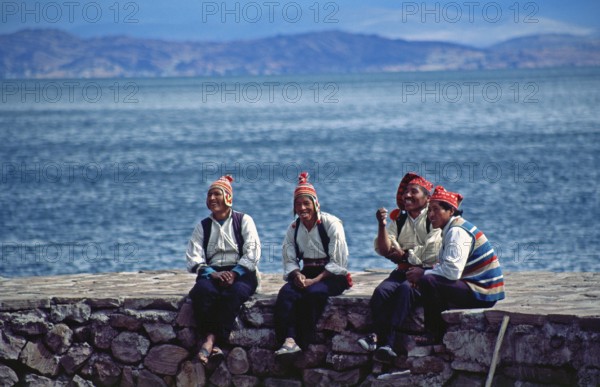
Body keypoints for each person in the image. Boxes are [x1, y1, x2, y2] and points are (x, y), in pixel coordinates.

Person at [357, 172, 442, 363]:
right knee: (381, 292)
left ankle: (386, 341)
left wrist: (404, 254)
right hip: (403, 270)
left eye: (414, 192)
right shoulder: (400, 219)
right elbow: (385, 248)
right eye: (405, 192)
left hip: (426, 272)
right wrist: (382, 225)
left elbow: (431, 250)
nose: (407, 196)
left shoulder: (433, 218)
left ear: (427, 198)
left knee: (405, 290)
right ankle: (380, 340)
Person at [406, 186, 505, 345]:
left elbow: (452, 272)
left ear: (451, 211)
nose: (431, 215)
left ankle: (434, 334)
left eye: (436, 210)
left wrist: (423, 274)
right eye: (429, 210)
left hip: (482, 291)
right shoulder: (451, 228)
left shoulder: (457, 232)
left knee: (428, 281)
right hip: (478, 287)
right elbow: (446, 266)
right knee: (429, 278)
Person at [274, 172, 351, 358]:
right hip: (307, 272)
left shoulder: (331, 224)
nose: (302, 208)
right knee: (286, 294)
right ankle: (288, 340)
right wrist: (296, 275)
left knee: (313, 293)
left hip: (331, 275)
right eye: (298, 204)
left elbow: (339, 261)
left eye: (306, 203)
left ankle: (301, 341)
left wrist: (314, 280)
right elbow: (289, 257)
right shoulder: (294, 229)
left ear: (315, 203)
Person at [186, 175, 261, 365]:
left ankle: (210, 340)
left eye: (217, 194)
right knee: (202, 292)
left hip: (242, 273)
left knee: (234, 293)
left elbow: (252, 252)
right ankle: (216, 344)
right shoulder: (203, 226)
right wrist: (213, 273)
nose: (212, 198)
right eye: (210, 194)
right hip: (213, 273)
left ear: (228, 197)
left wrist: (235, 273)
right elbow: (193, 257)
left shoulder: (243, 220)